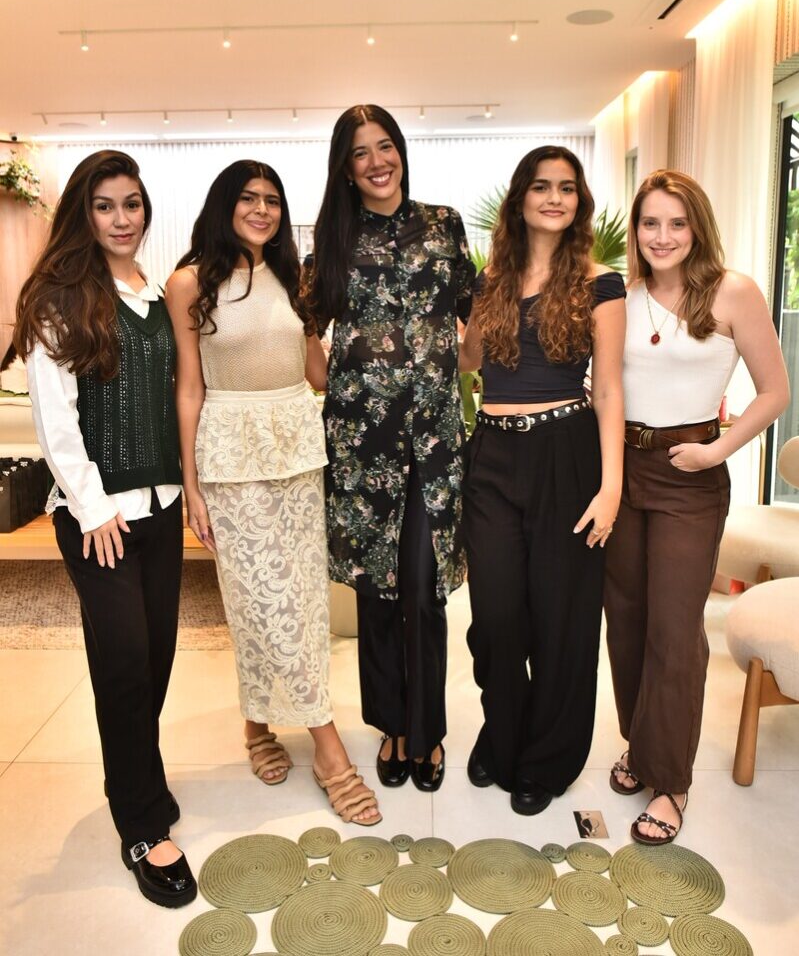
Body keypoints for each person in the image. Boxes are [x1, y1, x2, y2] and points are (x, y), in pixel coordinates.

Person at [165, 159, 380, 826]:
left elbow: (316, 373)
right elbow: (189, 388)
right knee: (260, 598)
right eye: (249, 198)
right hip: (230, 455)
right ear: (224, 205)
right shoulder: (188, 282)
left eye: (272, 200)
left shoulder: (295, 279)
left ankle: (257, 724)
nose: (262, 210)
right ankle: (328, 749)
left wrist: (369, 347)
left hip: (297, 450)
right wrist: (191, 484)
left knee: (301, 601)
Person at [14, 150, 196, 907]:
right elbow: (54, 420)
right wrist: (92, 508)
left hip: (162, 507)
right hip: (101, 519)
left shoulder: (153, 291)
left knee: (155, 659)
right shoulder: (58, 299)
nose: (122, 219)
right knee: (123, 664)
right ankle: (143, 825)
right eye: (105, 205)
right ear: (82, 215)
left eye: (132, 204)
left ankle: (134, 777)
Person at [604, 169, 789, 845]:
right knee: (626, 621)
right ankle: (641, 744)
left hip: (690, 474)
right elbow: (604, 388)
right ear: (636, 230)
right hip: (624, 470)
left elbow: (774, 390)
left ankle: (671, 781)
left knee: (675, 631)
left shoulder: (732, 291)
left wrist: (717, 451)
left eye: (676, 223)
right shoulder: (621, 296)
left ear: (696, 227)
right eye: (649, 223)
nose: (662, 236)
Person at [305, 104, 475, 793]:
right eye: (360, 152)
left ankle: (426, 732)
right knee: (377, 592)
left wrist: (458, 370)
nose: (377, 162)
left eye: (385, 146)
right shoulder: (331, 242)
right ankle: (392, 728)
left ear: (401, 151)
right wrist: (338, 381)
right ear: (345, 169)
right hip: (360, 443)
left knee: (424, 589)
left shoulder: (443, 224)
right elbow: (305, 330)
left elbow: (475, 311)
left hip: (434, 440)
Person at [459, 145, 625, 815]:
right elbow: (469, 362)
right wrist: (463, 315)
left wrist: (611, 488)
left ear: (578, 200)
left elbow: (608, 389)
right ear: (520, 199)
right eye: (540, 186)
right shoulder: (491, 277)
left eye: (566, 187)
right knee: (496, 617)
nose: (554, 197)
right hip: (492, 455)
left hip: (566, 451)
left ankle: (547, 757)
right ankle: (503, 733)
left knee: (562, 617)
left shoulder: (600, 282)